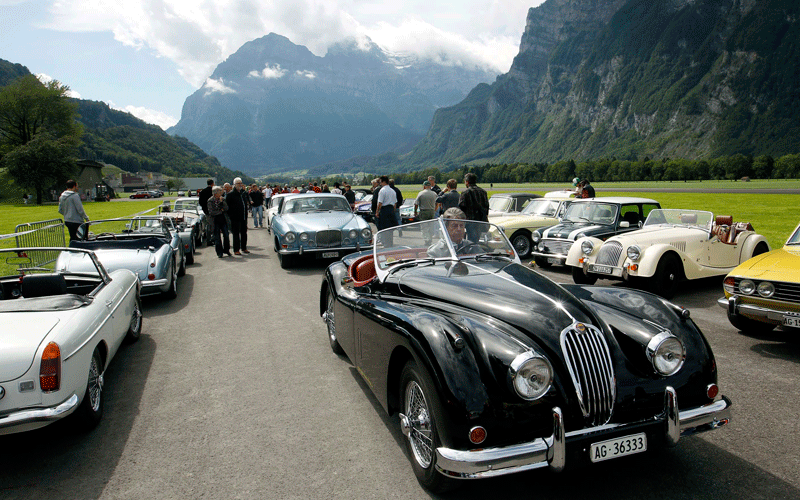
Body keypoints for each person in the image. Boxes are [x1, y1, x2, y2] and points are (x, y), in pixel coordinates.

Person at [458, 173, 489, 242]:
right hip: (481, 221)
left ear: (467, 182)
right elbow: (487, 206)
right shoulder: (483, 192)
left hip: (470, 221)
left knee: (470, 241)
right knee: (478, 240)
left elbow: (461, 206)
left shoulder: (465, 192)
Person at [226, 178, 249, 254]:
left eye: (241, 183)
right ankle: (236, 250)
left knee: (244, 233)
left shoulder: (243, 193)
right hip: (235, 218)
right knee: (236, 234)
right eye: (238, 183)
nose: (240, 185)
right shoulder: (230, 194)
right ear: (234, 185)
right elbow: (227, 207)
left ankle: (244, 247)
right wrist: (231, 215)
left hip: (243, 217)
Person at [207, 186, 231, 258]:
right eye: (220, 192)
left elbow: (226, 208)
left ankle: (226, 250)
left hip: (223, 220)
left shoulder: (222, 199)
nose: (221, 193)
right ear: (215, 193)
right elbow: (211, 212)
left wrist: (221, 202)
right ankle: (219, 252)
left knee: (226, 235)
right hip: (215, 221)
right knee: (217, 238)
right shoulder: (210, 201)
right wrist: (220, 211)